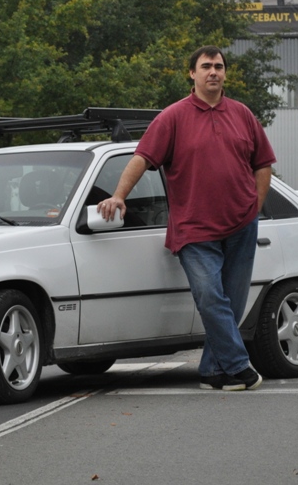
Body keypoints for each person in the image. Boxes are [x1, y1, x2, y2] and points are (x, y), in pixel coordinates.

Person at [97, 45, 275, 391]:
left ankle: (211, 371)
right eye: (206, 66)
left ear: (225, 73)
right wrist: (119, 195)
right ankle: (240, 367)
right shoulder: (172, 117)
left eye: (219, 67)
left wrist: (255, 206)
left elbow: (263, 164)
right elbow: (142, 158)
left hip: (242, 225)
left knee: (232, 304)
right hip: (195, 229)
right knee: (211, 297)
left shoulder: (242, 115)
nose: (213, 72)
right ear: (191, 74)